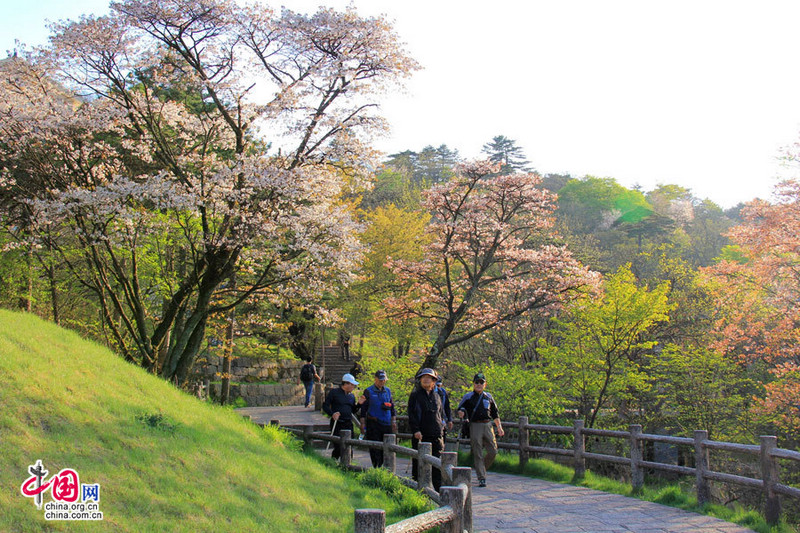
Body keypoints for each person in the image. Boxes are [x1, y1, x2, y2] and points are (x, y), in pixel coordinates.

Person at [457, 372, 504, 487]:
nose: (479, 384)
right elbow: (460, 408)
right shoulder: (468, 396)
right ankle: (481, 477)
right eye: (477, 382)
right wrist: (461, 412)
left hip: (487, 424)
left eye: (481, 383)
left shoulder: (489, 397)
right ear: (473, 384)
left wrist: (499, 427)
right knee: (477, 451)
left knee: (493, 451)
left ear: (485, 384)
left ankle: (481, 468)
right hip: (475, 425)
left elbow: (495, 413)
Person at [407, 367, 446, 491]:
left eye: (429, 378)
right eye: (424, 378)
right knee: (418, 464)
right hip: (421, 435)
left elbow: (441, 413)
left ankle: (439, 492)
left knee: (437, 463)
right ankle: (417, 491)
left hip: (436, 434)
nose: (426, 380)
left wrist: (442, 428)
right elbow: (411, 414)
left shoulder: (437, 395)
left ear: (434, 381)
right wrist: (416, 430)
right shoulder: (415, 395)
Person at [359, 370, 397, 468]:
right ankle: (377, 468)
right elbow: (363, 409)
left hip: (386, 423)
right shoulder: (368, 391)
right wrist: (362, 424)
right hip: (374, 424)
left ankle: (388, 469)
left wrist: (393, 421)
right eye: (380, 380)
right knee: (375, 448)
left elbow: (392, 407)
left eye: (384, 380)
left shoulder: (387, 391)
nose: (382, 382)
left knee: (388, 448)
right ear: (375, 379)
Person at [323, 373, 361, 461]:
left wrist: (359, 404)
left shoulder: (351, 396)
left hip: (348, 423)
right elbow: (325, 406)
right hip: (337, 423)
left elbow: (353, 410)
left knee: (349, 445)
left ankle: (348, 464)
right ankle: (334, 462)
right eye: (352, 385)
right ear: (346, 384)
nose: (353, 387)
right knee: (338, 446)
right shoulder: (334, 393)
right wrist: (332, 414)